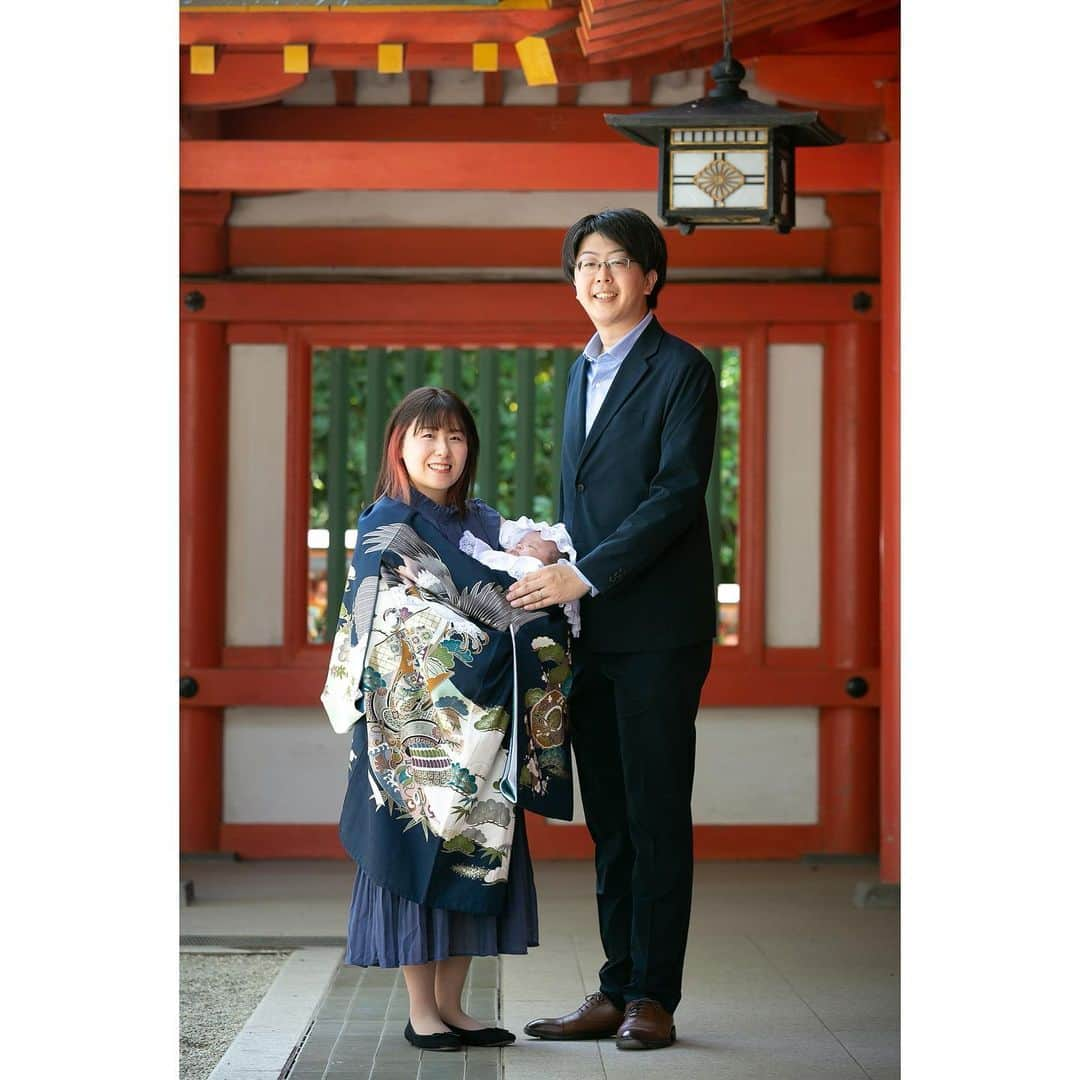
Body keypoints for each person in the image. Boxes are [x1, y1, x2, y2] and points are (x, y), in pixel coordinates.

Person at [507, 208, 718, 1051]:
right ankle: (614, 983)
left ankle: (653, 997)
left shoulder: (682, 370)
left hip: (659, 628)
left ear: (651, 277)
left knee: (657, 810)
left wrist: (586, 569)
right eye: (584, 263)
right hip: (589, 628)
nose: (598, 277)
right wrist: (551, 543)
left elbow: (673, 496)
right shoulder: (577, 373)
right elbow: (592, 500)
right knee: (613, 820)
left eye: (617, 263)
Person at [320, 387, 573, 1054]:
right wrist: (502, 626)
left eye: (456, 437)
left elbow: (522, 584)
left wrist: (530, 589)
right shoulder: (388, 524)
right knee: (415, 855)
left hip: (483, 729)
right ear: (399, 446)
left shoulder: (481, 520)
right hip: (416, 734)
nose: (442, 450)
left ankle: (455, 1005)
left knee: (475, 858)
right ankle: (421, 1010)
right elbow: (399, 624)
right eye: (427, 436)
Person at [459, 515, 581, 637]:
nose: (519, 545)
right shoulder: (497, 555)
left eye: (531, 546)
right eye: (519, 542)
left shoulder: (533, 567)